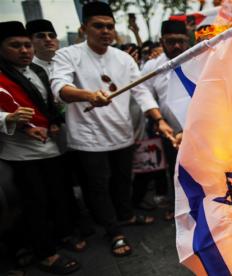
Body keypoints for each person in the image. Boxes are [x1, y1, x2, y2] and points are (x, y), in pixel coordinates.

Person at [49, 2, 175, 257]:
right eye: (98, 26)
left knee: (121, 180)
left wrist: (159, 119)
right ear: (84, 28)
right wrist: (87, 95)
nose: (105, 31)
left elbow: (141, 92)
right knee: (98, 186)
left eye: (109, 26)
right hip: (88, 137)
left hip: (121, 133)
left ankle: (126, 215)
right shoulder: (68, 55)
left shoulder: (123, 58)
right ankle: (113, 231)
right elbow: (59, 88)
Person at [0, 21, 81, 274]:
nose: (24, 50)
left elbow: (48, 103)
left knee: (56, 196)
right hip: (21, 154)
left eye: (26, 45)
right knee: (33, 204)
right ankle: (45, 254)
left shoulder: (38, 71)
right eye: (15, 46)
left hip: (49, 147)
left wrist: (55, 121)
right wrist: (9, 119)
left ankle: (58, 237)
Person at [141, 20, 190, 220]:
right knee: (174, 169)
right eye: (171, 42)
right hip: (169, 131)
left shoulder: (198, 59)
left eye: (180, 41)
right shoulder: (152, 66)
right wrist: (159, 120)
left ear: (187, 41)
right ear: (162, 41)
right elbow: (144, 94)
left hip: (198, 129)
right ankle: (177, 206)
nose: (176, 46)